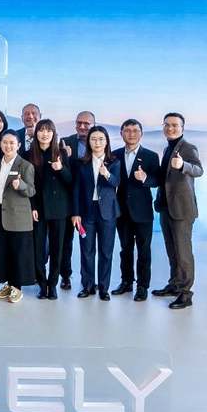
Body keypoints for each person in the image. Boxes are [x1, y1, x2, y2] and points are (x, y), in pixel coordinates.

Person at [152, 112, 204, 309]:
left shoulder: (188, 148)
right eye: (167, 125)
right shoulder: (168, 148)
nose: (170, 128)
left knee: (183, 253)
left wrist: (183, 165)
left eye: (175, 125)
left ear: (182, 128)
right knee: (172, 251)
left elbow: (198, 170)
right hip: (166, 207)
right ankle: (175, 284)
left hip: (182, 209)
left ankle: (185, 293)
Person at [111, 119, 160, 301]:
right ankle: (126, 282)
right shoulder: (114, 155)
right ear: (121, 133)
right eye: (127, 130)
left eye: (135, 130)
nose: (131, 134)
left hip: (143, 211)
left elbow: (158, 180)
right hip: (122, 211)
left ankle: (142, 286)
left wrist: (146, 178)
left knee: (143, 250)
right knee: (125, 249)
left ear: (141, 134)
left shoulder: (151, 156)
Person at [71, 126, 120, 301]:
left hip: (107, 212)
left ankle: (104, 288)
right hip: (86, 212)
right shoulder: (81, 163)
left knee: (106, 252)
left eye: (100, 139)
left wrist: (106, 174)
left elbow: (116, 182)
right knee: (87, 250)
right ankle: (88, 285)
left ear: (106, 142)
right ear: (88, 142)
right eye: (93, 139)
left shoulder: (114, 162)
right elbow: (76, 189)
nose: (97, 142)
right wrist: (75, 213)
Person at [28, 119, 72, 300]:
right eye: (41, 130)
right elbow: (28, 184)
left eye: (48, 130)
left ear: (53, 133)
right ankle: (42, 284)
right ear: (36, 133)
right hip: (38, 208)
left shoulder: (61, 153)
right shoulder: (28, 154)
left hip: (59, 208)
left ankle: (53, 284)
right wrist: (32, 206)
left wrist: (60, 169)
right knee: (38, 249)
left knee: (57, 248)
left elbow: (70, 181)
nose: (44, 134)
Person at [0, 130, 37, 303]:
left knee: (18, 253)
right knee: (4, 252)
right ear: (0, 144)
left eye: (12, 143)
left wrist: (21, 185)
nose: (8, 146)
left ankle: (17, 288)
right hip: (0, 214)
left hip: (18, 217)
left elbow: (31, 190)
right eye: (5, 142)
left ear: (18, 145)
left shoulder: (25, 166)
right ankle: (9, 284)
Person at [59, 111, 95, 290]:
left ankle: (88, 279)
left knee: (87, 243)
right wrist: (65, 156)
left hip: (90, 201)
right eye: (79, 123)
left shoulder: (98, 142)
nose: (82, 126)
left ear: (93, 125)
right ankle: (65, 276)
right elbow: (60, 169)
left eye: (86, 123)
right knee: (66, 241)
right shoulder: (65, 142)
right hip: (68, 199)